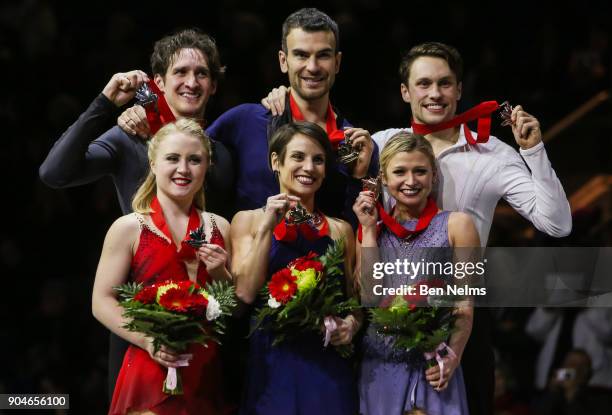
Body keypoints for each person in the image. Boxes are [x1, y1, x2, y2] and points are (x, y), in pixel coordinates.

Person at [370, 42, 572, 415]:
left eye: (445, 83)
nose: (434, 93)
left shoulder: (492, 153)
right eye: (424, 83)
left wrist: (534, 151)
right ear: (405, 91)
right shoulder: (379, 146)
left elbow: (557, 224)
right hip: (388, 316)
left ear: (459, 89)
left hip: (465, 315)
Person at [38, 28, 233, 397]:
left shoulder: (221, 154)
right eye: (180, 73)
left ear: (213, 85)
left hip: (208, 328)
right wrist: (105, 104)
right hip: (136, 326)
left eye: (202, 74)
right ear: (159, 81)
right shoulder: (130, 136)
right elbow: (54, 173)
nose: (191, 82)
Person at [119, 8, 378, 226]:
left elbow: (359, 234)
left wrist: (358, 178)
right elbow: (181, 153)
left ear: (338, 62)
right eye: (301, 55)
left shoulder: (356, 146)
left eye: (323, 55)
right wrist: (148, 113)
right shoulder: (244, 121)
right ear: (283, 61)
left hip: (323, 282)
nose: (312, 67)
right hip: (243, 277)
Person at [92, 119, 232, 414]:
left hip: (205, 371)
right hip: (149, 366)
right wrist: (148, 340)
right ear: (153, 164)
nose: (183, 169)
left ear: (206, 168)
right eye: (173, 158)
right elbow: (101, 301)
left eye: (194, 160)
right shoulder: (129, 227)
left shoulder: (221, 227)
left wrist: (221, 272)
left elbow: (228, 307)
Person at [231, 122, 360, 414]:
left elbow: (354, 304)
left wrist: (351, 325)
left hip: (328, 366)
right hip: (272, 365)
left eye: (318, 160)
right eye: (298, 157)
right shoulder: (247, 221)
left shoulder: (340, 230)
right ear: (276, 162)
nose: (309, 167)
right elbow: (243, 296)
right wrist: (266, 229)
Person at [355, 132, 478, 415]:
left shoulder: (458, 225)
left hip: (435, 364)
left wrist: (453, 356)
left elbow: (465, 305)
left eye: (420, 171)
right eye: (400, 171)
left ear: (433, 175)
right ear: (384, 177)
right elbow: (369, 296)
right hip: (380, 367)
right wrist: (370, 232)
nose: (411, 181)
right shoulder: (370, 228)